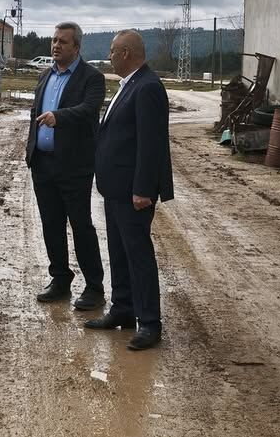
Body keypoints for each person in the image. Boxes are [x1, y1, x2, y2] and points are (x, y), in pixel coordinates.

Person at [86, 29, 173, 350]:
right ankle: (123, 309)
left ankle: (150, 323)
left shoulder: (148, 87)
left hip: (133, 192)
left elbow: (151, 145)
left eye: (112, 51)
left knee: (138, 256)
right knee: (119, 253)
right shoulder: (130, 85)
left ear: (126, 54)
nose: (108, 56)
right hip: (115, 188)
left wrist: (143, 188)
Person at [24, 21, 106, 309]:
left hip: (73, 166)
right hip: (43, 164)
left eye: (63, 42)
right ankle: (60, 278)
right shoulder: (45, 76)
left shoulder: (92, 78)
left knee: (81, 225)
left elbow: (88, 110)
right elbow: (35, 113)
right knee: (51, 224)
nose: (56, 46)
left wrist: (59, 117)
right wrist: (30, 150)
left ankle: (94, 287)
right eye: (54, 40)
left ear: (76, 47)